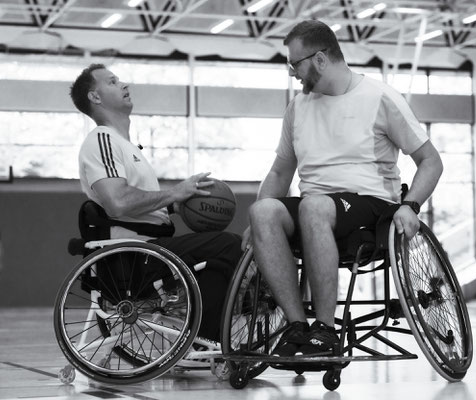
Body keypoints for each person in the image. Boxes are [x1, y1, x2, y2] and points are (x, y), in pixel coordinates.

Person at [244, 20, 443, 357]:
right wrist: (258, 226)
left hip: (371, 205)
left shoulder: (380, 98)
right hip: (318, 208)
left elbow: (431, 161)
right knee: (262, 211)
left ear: (320, 59)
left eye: (296, 64)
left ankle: (325, 329)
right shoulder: (297, 108)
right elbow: (280, 171)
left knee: (314, 206)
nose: (293, 73)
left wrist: (411, 205)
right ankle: (296, 327)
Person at [69, 64, 241, 342]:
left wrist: (183, 200)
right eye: (113, 82)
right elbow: (117, 202)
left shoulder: (125, 145)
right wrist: (174, 193)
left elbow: (137, 205)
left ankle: (204, 339)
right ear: (95, 97)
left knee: (216, 253)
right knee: (228, 245)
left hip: (146, 252)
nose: (124, 85)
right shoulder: (101, 139)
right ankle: (207, 337)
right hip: (133, 257)